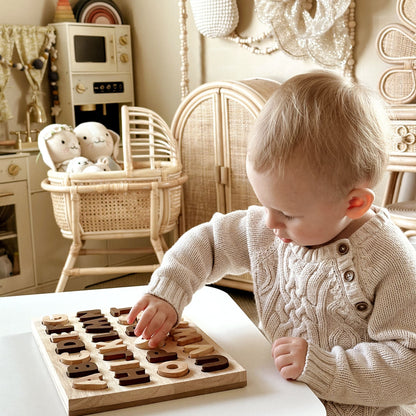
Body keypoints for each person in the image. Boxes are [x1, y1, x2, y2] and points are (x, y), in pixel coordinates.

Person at [127, 71, 416, 415]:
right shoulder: (274, 227)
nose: (269, 222)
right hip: (279, 400)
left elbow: (409, 367)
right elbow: (210, 241)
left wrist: (324, 366)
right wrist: (169, 291)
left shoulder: (390, 260)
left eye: (287, 213)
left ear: (353, 204)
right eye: (265, 204)